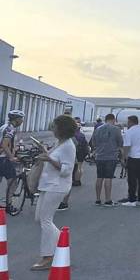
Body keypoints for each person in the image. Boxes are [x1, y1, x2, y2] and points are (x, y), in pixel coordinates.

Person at [30, 115, 77, 271]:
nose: (52, 128)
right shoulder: (60, 143)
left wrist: (49, 160)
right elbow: (54, 158)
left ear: (61, 129)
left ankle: (48, 256)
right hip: (48, 184)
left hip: (57, 186)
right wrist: (46, 153)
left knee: (45, 220)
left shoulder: (68, 146)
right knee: (40, 218)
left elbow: (67, 170)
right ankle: (60, 245)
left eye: (55, 126)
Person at [90, 113, 123, 206]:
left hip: (99, 156)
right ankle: (108, 200)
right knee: (108, 178)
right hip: (111, 156)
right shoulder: (116, 129)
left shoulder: (98, 129)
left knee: (99, 177)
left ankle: (97, 199)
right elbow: (120, 143)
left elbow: (93, 142)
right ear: (113, 120)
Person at [121, 116, 140, 207]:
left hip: (133, 158)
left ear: (130, 122)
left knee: (132, 180)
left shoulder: (129, 132)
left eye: (128, 122)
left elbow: (127, 146)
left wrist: (123, 158)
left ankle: (132, 200)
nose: (127, 124)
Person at [0, 110, 25, 204]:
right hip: (4, 159)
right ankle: (8, 203)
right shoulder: (10, 129)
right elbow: (4, 144)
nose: (22, 121)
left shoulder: (4, 127)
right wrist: (11, 157)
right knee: (13, 183)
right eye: (21, 119)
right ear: (17, 119)